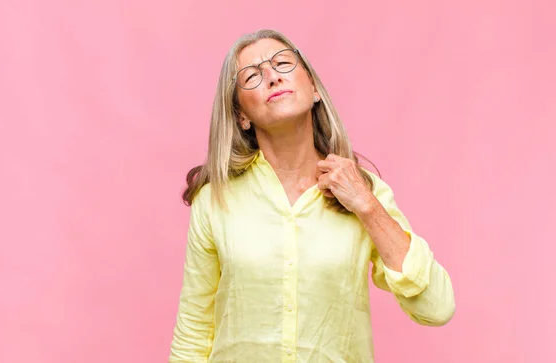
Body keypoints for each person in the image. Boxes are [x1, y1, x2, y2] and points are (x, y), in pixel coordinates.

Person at [169, 29, 455, 363]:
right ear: (241, 116)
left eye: (283, 63)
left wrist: (367, 206)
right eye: (252, 76)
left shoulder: (365, 192)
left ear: (315, 88)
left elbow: (437, 308)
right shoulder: (216, 199)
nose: (272, 77)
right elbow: (193, 331)